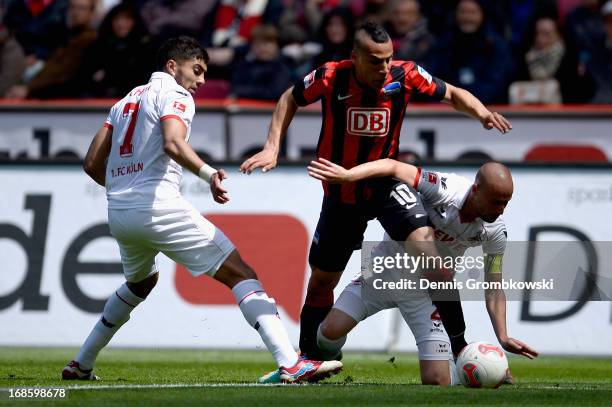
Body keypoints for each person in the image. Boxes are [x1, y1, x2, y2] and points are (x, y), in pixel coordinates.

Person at [61, 36, 342, 383]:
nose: (201, 81)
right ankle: (291, 362)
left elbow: (91, 163)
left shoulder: (123, 102)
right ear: (172, 67)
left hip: (119, 212)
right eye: (197, 70)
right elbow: (173, 142)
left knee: (140, 283)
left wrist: (124, 189)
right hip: (157, 206)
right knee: (242, 273)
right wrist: (209, 174)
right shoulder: (177, 95)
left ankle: (81, 362)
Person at [240, 21, 512, 373]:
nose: (384, 68)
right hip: (341, 190)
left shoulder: (406, 74)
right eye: (374, 61)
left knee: (429, 255)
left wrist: (482, 113)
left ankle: (460, 348)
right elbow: (289, 99)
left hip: (386, 184)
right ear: (354, 57)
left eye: (387, 59)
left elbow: (452, 93)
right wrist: (272, 146)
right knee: (323, 280)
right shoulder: (331, 76)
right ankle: (309, 358)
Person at [307, 158, 539, 385]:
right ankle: (332, 358)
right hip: (381, 275)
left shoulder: (496, 230)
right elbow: (393, 166)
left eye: (506, 203)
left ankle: (484, 369)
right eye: (496, 202)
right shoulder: (444, 188)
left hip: (425, 296)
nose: (501, 210)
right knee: (327, 334)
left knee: (436, 380)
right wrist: (349, 176)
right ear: (476, 190)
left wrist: (503, 336)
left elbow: (494, 286)